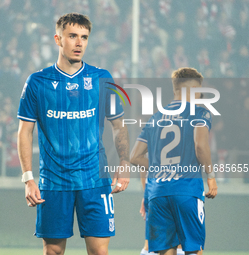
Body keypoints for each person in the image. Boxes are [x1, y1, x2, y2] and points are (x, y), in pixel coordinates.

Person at [17, 13, 130, 255]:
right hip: (54, 181)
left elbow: (119, 124)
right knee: (53, 252)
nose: (79, 43)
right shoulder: (38, 82)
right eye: (72, 36)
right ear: (57, 39)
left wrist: (124, 163)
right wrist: (28, 178)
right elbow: (24, 132)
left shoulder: (102, 78)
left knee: (99, 252)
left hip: (95, 180)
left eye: (84, 37)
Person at [130, 67, 217, 255]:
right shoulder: (200, 113)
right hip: (186, 190)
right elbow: (200, 146)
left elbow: (134, 157)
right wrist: (210, 176)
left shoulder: (155, 118)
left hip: (158, 193)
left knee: (165, 251)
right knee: (194, 250)